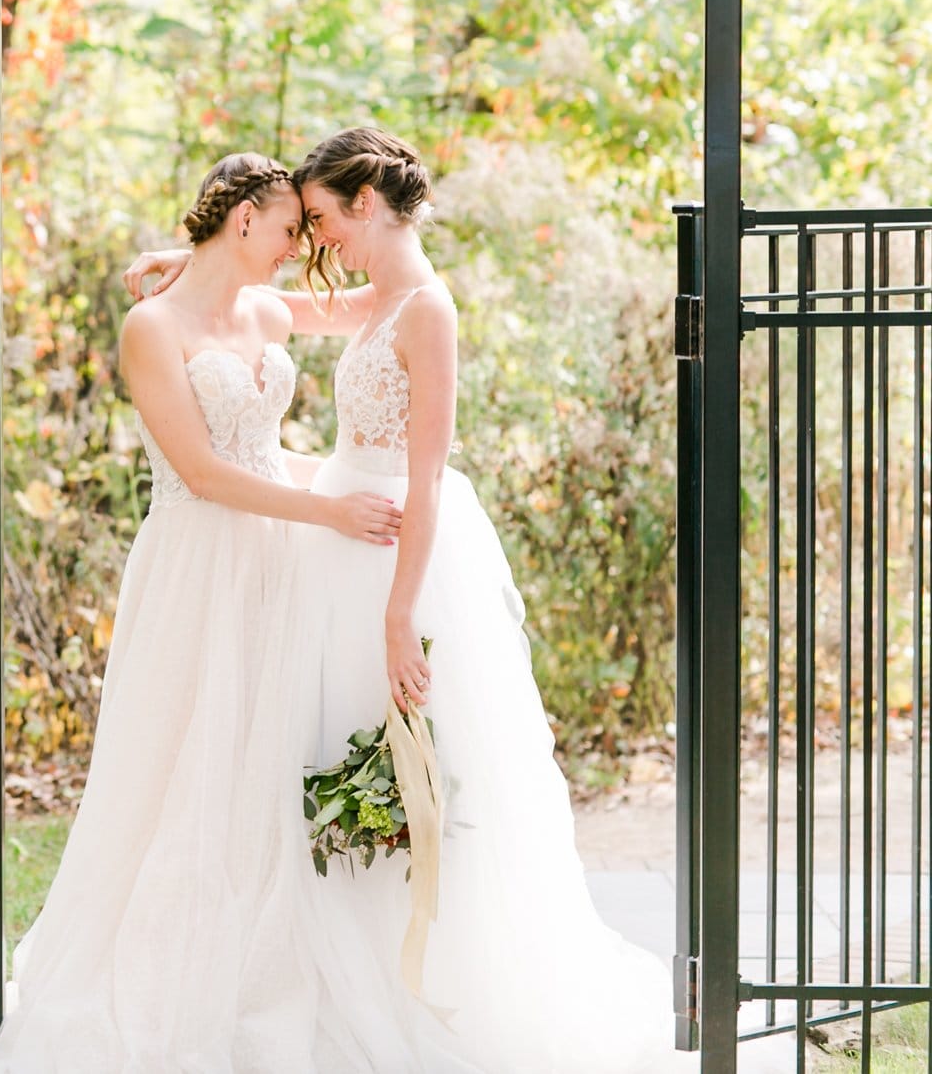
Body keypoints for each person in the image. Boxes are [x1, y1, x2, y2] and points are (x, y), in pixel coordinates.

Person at [125, 126, 696, 1073]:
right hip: (334, 541)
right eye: (298, 223)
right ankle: (329, 964)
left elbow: (425, 478)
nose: (315, 241)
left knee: (414, 759)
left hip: (392, 547)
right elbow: (283, 308)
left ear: (365, 204)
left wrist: (400, 612)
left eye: (319, 218)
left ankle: (419, 980)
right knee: (322, 751)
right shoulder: (376, 296)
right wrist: (189, 258)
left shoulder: (427, 309)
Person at [0, 152, 417, 1071]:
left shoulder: (265, 310)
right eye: (287, 228)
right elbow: (201, 471)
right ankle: (168, 975)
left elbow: (373, 308)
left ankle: (265, 961)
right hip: (199, 560)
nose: (298, 247)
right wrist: (333, 507)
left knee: (263, 761)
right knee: (183, 764)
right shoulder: (151, 328)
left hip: (276, 560)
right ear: (244, 220)